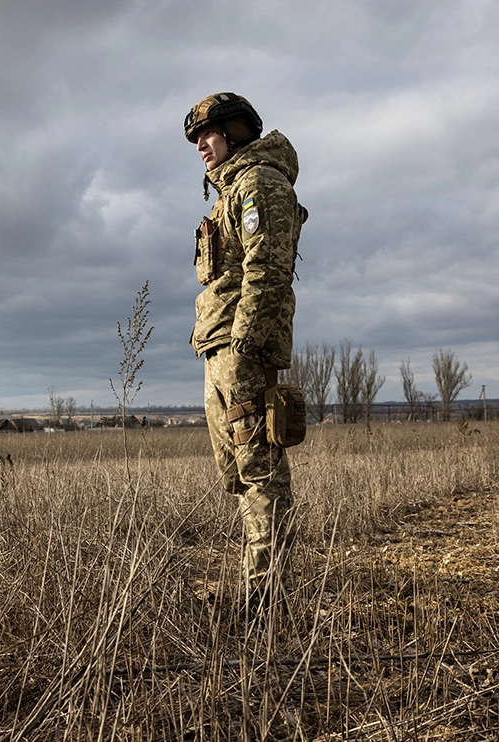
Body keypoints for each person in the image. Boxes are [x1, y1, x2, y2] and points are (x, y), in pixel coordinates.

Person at [184, 92, 308, 615]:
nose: (200, 148)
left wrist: (246, 341)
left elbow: (269, 266)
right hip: (219, 349)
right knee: (236, 474)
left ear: (236, 131)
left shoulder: (259, 183)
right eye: (195, 141)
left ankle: (268, 597)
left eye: (207, 136)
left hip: (241, 349)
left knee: (260, 471)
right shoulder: (227, 193)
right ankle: (257, 579)